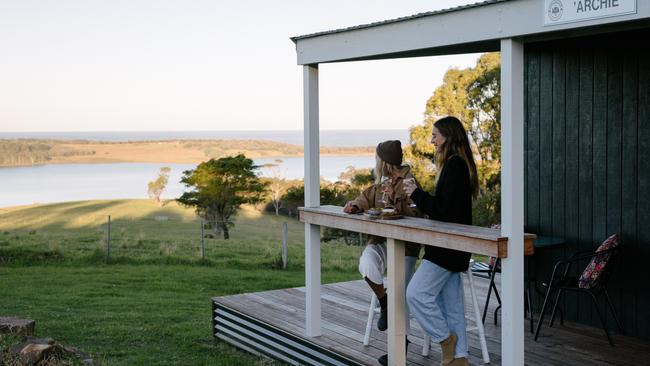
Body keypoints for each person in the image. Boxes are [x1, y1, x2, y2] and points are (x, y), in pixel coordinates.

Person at [403, 116, 479, 366]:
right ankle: (460, 359)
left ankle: (445, 340)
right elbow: (449, 207)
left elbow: (443, 210)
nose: (431, 140)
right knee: (453, 306)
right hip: (455, 246)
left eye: (435, 135)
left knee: (415, 294)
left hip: (447, 247)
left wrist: (416, 193)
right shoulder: (459, 164)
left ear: (448, 136)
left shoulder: (454, 166)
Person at [342, 140, 421, 351]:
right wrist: (354, 205)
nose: (375, 161)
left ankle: (400, 345)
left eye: (377, 157)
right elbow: (364, 198)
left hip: (406, 246)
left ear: (384, 160)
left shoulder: (409, 182)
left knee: (399, 290)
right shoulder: (380, 183)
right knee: (367, 264)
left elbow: (417, 212)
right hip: (381, 241)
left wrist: (398, 204)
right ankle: (384, 301)